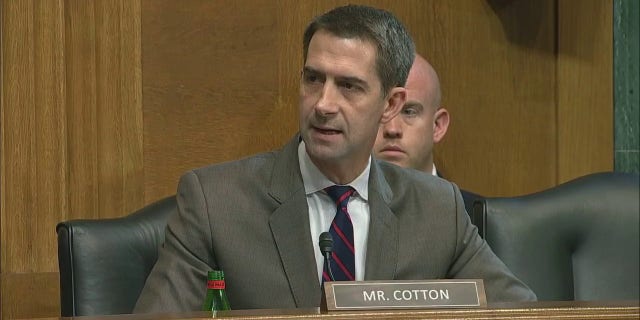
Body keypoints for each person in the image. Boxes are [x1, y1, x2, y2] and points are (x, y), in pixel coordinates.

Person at [134, 4, 536, 313]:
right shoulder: (214, 203)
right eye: (313, 79)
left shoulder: (435, 209)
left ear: (391, 104)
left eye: (348, 86)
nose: (323, 104)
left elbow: (526, 313)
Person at [373, 54, 482, 215]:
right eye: (383, 111)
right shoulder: (339, 216)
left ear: (437, 126)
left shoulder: (480, 220)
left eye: (409, 112)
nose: (392, 129)